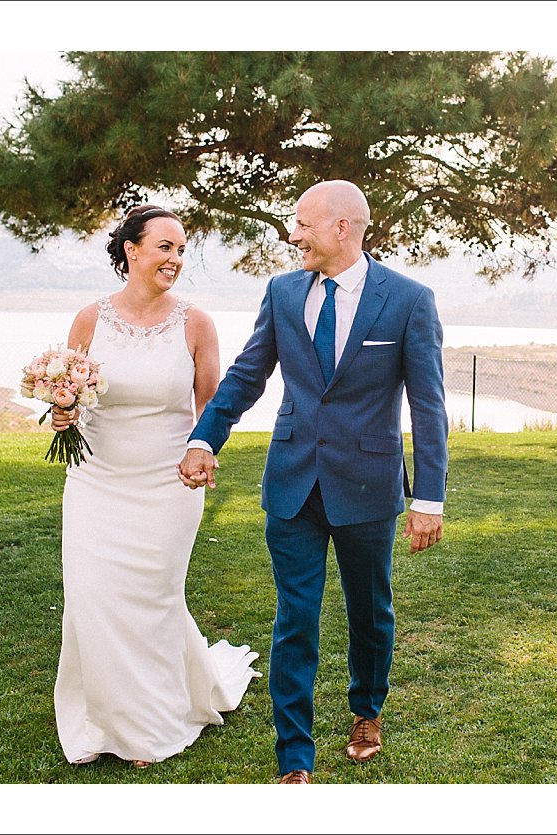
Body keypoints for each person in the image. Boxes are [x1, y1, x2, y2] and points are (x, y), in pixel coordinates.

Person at [177, 180, 448, 785]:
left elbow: (428, 405)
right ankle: (293, 756)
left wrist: (428, 498)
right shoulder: (280, 292)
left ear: (341, 228)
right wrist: (203, 437)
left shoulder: (408, 300)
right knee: (294, 616)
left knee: (369, 611)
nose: (292, 234)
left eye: (301, 223)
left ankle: (366, 711)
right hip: (293, 482)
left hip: (369, 485)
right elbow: (247, 375)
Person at [50, 204, 260, 769]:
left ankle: (151, 724)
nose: (175, 258)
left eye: (182, 248)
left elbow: (211, 405)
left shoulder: (196, 323)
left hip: (167, 484)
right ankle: (102, 720)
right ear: (131, 250)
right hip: (96, 480)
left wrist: (205, 451)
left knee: (151, 599)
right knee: (92, 597)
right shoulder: (90, 319)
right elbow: (65, 394)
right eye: (165, 246)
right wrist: (62, 414)